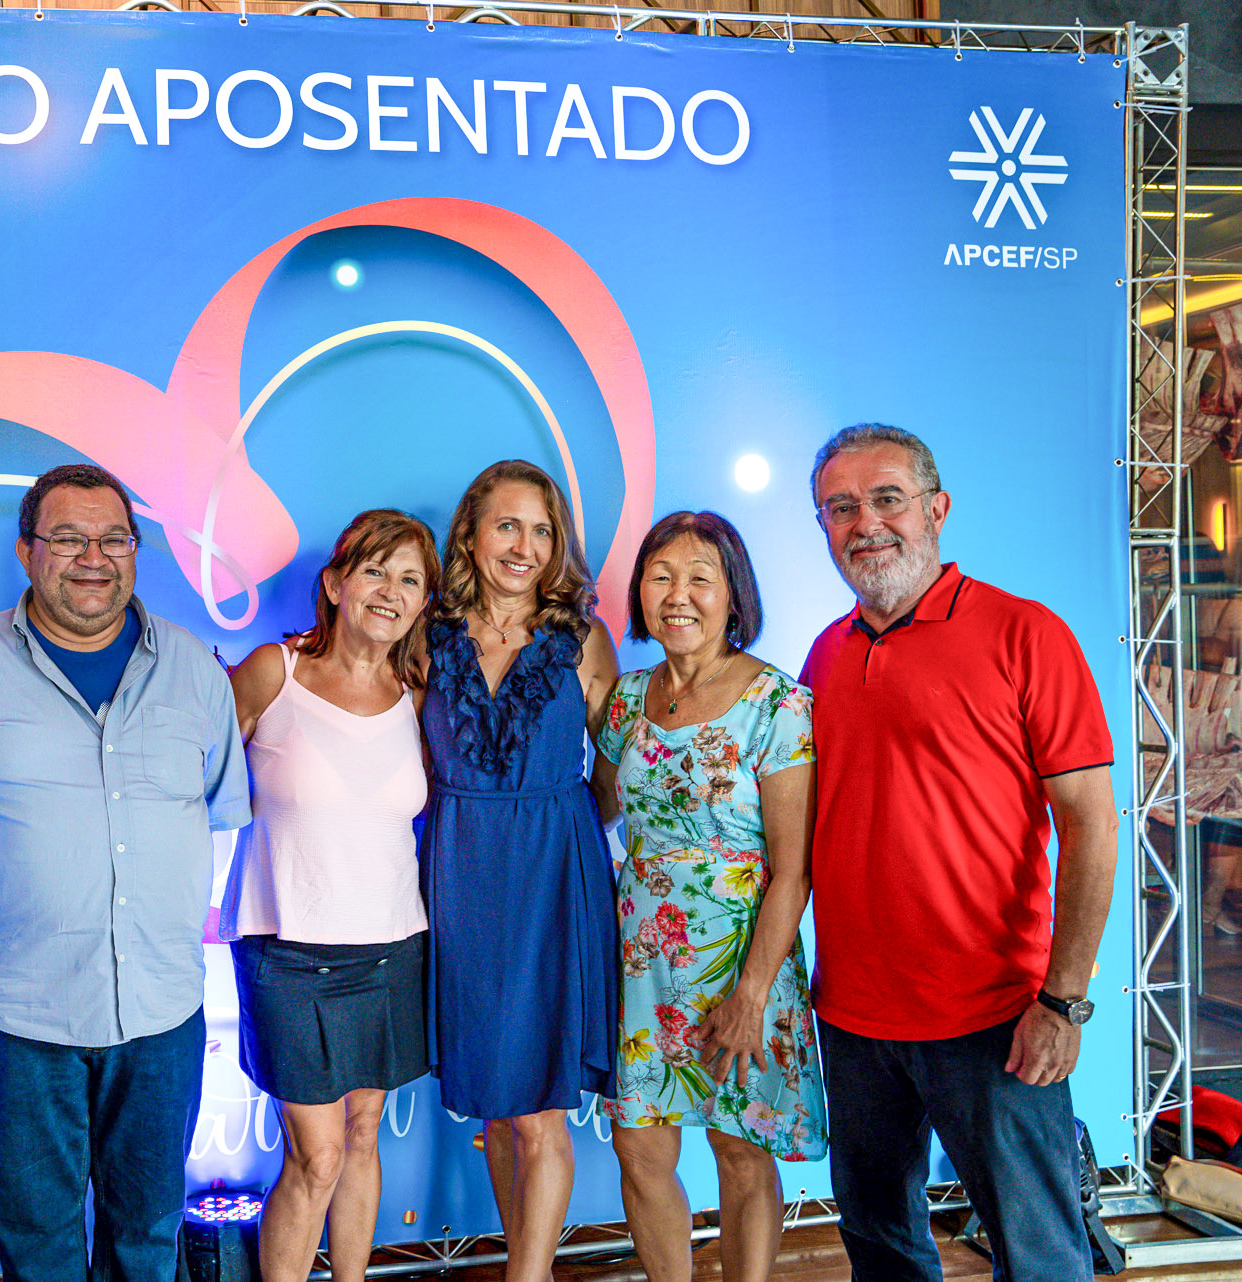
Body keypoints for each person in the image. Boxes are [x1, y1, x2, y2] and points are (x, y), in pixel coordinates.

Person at [0, 463, 252, 1282]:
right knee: (37, 1239)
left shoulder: (195, 670)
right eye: (69, 538)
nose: (93, 558)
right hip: (23, 1012)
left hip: (161, 1011)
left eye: (114, 539)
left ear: (135, 550)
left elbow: (216, 805)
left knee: (146, 1235)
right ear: (27, 551)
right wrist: (25, 878)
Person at [800, 424, 1117, 1282]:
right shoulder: (825, 655)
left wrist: (1064, 1002)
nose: (865, 523)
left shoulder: (1026, 634)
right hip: (854, 1016)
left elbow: (1092, 824)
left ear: (937, 509)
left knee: (1040, 1256)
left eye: (888, 499)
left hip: (995, 1015)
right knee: (882, 1249)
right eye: (840, 508)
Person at [591, 511, 826, 1281]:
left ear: (734, 595)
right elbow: (597, 809)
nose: (678, 595)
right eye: (660, 577)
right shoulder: (626, 701)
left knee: (740, 1146)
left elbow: (793, 871)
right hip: (643, 967)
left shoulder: (778, 704)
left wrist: (752, 995)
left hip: (742, 964)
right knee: (639, 1146)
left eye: (700, 577)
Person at [219, 509, 442, 1282]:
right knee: (315, 1157)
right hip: (287, 946)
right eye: (376, 570)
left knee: (364, 1133)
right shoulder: (273, 672)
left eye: (410, 580)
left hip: (391, 945)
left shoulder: (417, 693)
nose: (391, 591)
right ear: (336, 583)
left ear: (422, 603)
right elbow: (191, 774)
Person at [420, 459, 621, 1281]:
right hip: (460, 875)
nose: (525, 547)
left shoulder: (583, 640)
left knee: (540, 1112)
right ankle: (520, 1262)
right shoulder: (425, 636)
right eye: (508, 525)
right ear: (471, 534)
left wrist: (558, 825)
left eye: (543, 532)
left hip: (554, 878)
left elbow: (615, 773)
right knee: (499, 1107)